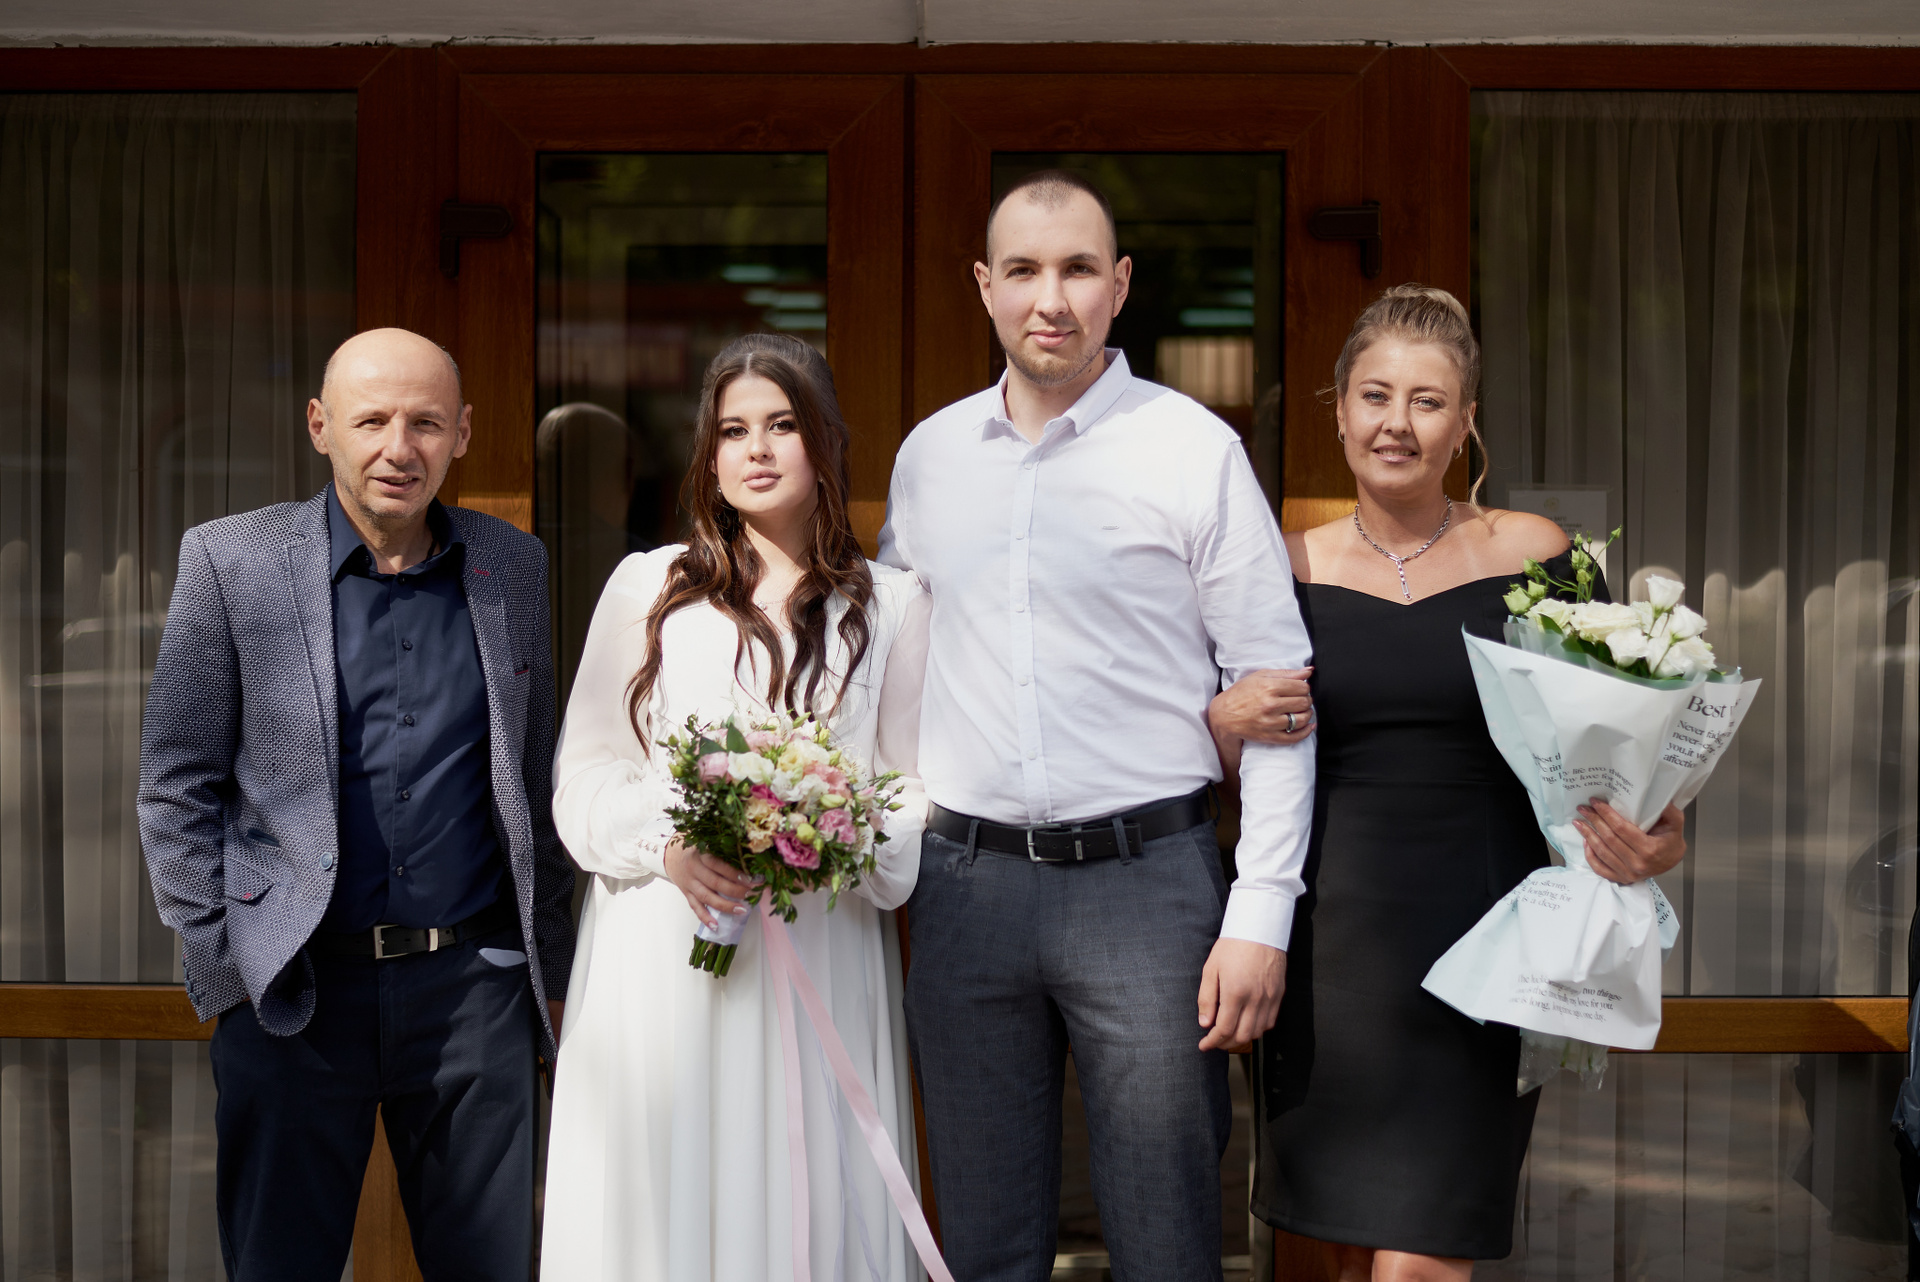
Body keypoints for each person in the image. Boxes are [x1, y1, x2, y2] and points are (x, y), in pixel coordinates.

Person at [878, 170, 1316, 1282]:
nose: (1051, 298)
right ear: (984, 286)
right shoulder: (929, 459)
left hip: (1148, 887)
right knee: (983, 1246)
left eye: (1077, 269)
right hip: (965, 891)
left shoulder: (1192, 448)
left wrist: (1261, 912)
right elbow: (890, 667)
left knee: (1167, 1242)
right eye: (1023, 270)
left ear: (1119, 285)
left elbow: (1277, 692)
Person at [1213, 285, 1688, 1280]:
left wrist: (1658, 833)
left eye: (1427, 402)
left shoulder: (1538, 556)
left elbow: (1623, 743)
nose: (1397, 423)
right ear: (1338, 410)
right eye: (1376, 396)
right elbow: (1213, 773)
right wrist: (1221, 723)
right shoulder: (1277, 567)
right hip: (1326, 947)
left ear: (1466, 422)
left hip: (1489, 941)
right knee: (1346, 1257)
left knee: (1422, 1262)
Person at [137, 328, 574, 1280]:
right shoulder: (232, 561)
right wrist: (226, 967)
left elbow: (535, 782)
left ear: (463, 434)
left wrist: (547, 971)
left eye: (425, 423)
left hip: (472, 994)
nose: (397, 448)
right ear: (320, 426)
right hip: (294, 996)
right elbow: (175, 779)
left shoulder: (513, 565)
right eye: (371, 421)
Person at [541, 332, 930, 1282]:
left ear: (825, 441)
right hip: (662, 951)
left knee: (809, 1199)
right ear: (709, 456)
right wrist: (668, 845)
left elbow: (911, 788)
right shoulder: (649, 586)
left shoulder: (892, 604)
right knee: (668, 1210)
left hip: (823, 942)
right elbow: (583, 774)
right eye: (732, 431)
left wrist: (830, 829)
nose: (756, 449)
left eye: (782, 425)